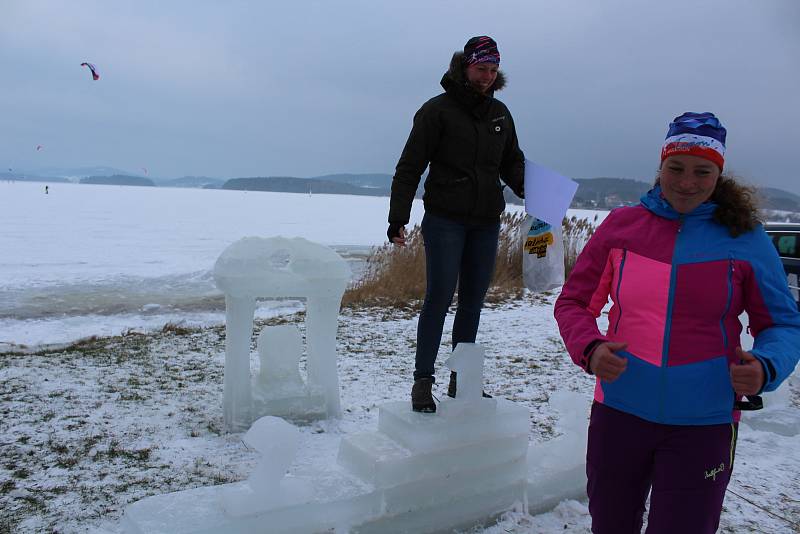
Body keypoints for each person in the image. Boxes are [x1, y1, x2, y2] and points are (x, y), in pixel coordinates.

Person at [554, 112, 800, 533]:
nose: (687, 182)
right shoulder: (621, 228)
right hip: (620, 411)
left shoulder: (746, 239)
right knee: (611, 525)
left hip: (704, 421)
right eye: (676, 168)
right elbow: (574, 302)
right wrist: (591, 348)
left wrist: (766, 365)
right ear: (660, 167)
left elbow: (782, 324)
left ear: (718, 174)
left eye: (702, 171)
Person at [387, 36, 525, 413]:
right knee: (439, 298)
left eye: (494, 71)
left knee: (473, 302)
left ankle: (461, 380)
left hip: (485, 222)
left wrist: (540, 194)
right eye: (482, 69)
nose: (487, 77)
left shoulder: (500, 115)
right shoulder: (437, 112)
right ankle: (422, 381)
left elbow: (513, 163)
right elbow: (410, 166)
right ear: (465, 67)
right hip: (445, 220)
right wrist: (398, 216)